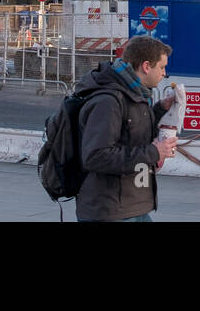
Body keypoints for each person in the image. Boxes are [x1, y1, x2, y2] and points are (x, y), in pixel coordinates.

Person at [74, 35, 178, 222]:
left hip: (132, 205)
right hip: (109, 211)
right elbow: (95, 156)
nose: (164, 73)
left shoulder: (136, 95)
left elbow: (132, 131)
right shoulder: (109, 101)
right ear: (146, 66)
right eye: (161, 67)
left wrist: (161, 109)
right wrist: (154, 152)